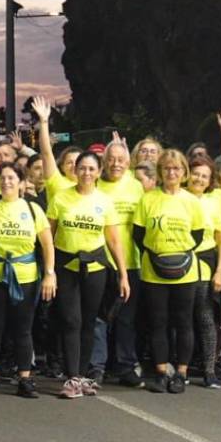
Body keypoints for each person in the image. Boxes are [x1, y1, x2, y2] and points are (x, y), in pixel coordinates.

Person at [0, 162, 55, 398]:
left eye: (11, 177)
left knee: (23, 329)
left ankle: (25, 379)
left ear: (21, 182)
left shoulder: (33, 208)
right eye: (2, 177)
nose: (6, 182)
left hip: (25, 277)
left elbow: (47, 244)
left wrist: (50, 273)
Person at [48, 151, 129, 399]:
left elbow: (114, 242)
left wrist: (123, 275)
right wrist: (49, 271)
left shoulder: (104, 201)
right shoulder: (61, 198)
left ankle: (82, 375)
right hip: (67, 266)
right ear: (75, 170)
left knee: (89, 322)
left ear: (99, 171)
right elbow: (48, 237)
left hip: (95, 268)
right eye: (82, 168)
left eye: (91, 169)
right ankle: (71, 376)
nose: (86, 173)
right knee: (71, 320)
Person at [132, 150, 208, 394]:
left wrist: (177, 254)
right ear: (160, 172)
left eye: (176, 169)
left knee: (184, 321)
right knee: (158, 322)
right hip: (153, 269)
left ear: (184, 172)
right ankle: (162, 371)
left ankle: (182, 373)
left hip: (185, 271)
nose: (172, 173)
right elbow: (138, 234)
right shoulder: (148, 199)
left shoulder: (192, 201)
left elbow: (196, 236)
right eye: (167, 169)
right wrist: (158, 253)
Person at [96, 140, 145, 388]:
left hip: (131, 261)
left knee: (127, 318)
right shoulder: (95, 184)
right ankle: (97, 367)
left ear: (128, 163)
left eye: (121, 160)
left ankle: (125, 366)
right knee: (100, 317)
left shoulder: (136, 187)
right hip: (100, 261)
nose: (116, 164)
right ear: (104, 161)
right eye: (111, 159)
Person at [186, 154, 221, 389]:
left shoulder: (214, 202)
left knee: (206, 318)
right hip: (178, 265)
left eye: (205, 176)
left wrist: (220, 271)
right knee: (181, 319)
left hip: (205, 265)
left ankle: (209, 370)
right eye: (196, 174)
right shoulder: (177, 197)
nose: (199, 179)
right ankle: (181, 366)